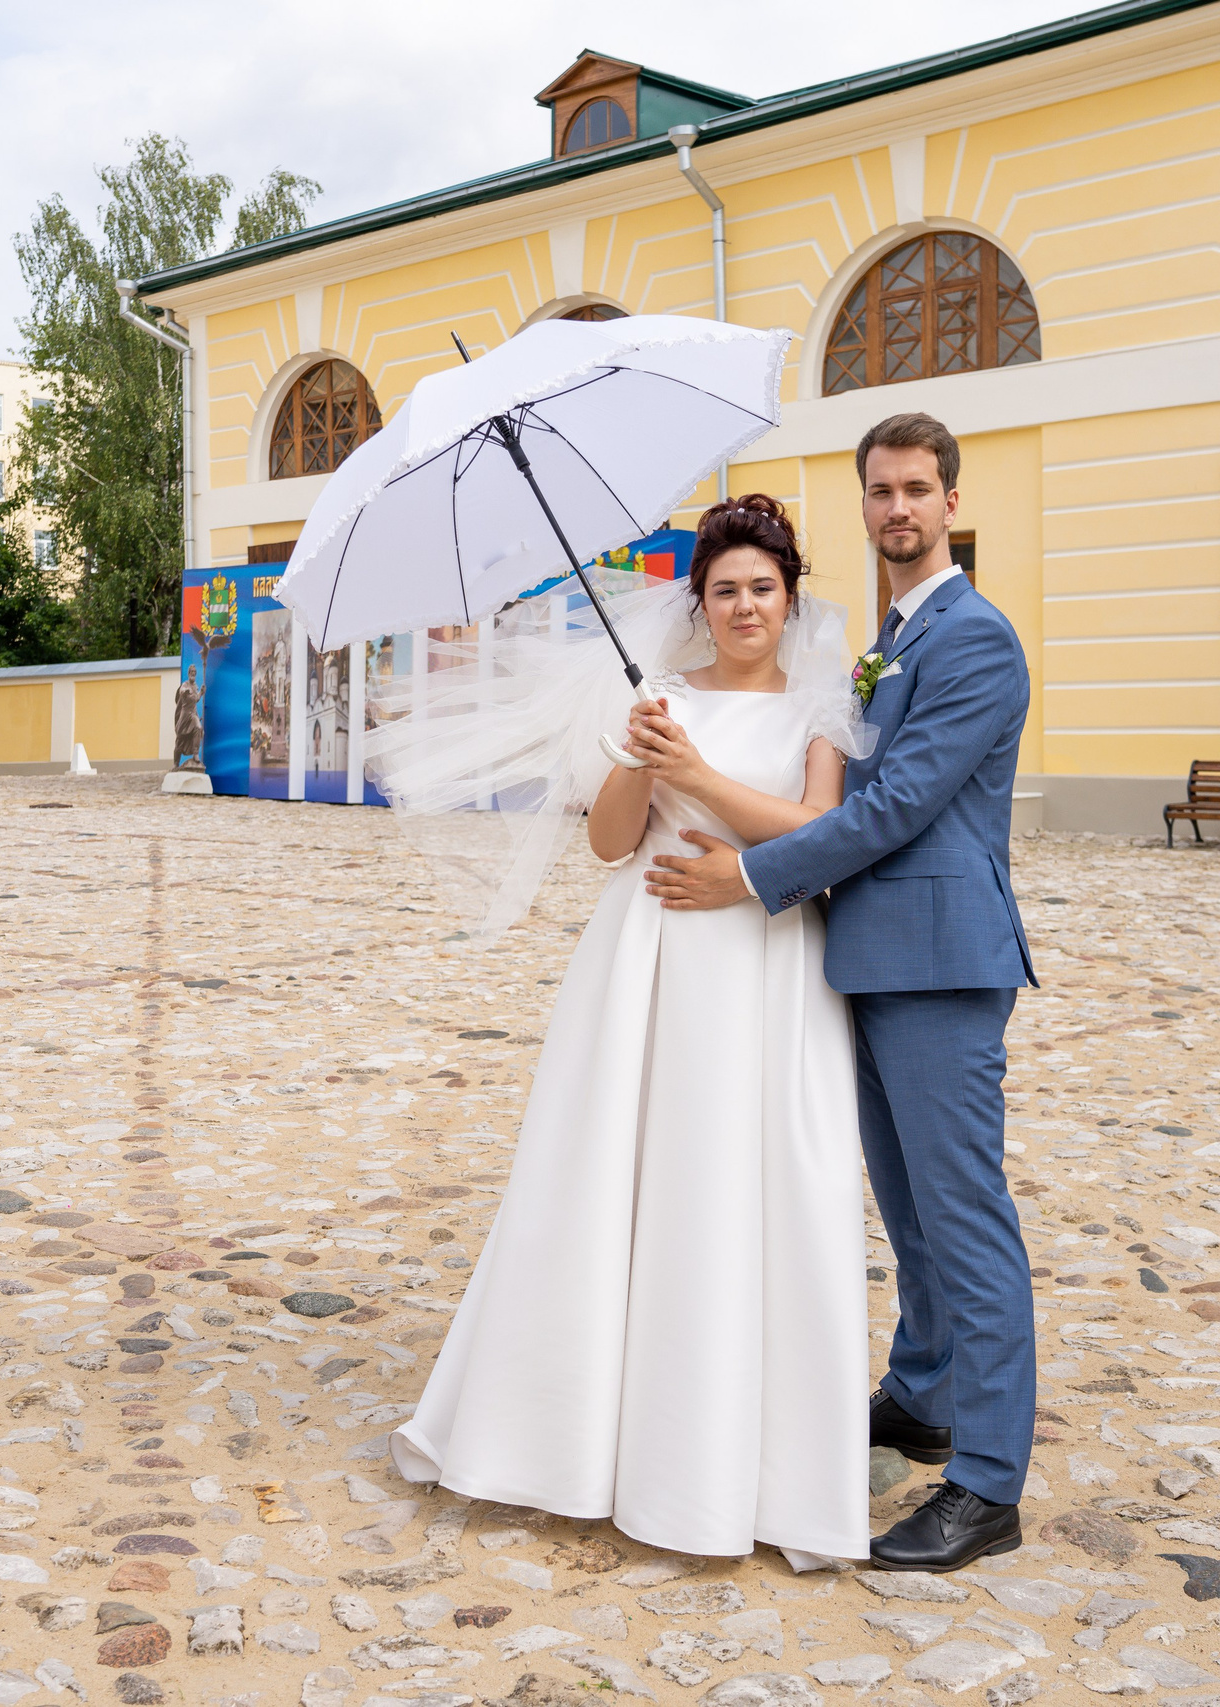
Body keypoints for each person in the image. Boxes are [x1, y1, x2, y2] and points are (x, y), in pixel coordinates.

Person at [385, 495, 873, 1564]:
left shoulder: (817, 711)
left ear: (790, 600)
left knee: (752, 1187)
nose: (744, 606)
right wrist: (643, 759)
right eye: (725, 590)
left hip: (763, 962)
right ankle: (570, 1438)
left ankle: (736, 1460)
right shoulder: (655, 698)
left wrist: (702, 783)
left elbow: (822, 832)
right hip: (649, 958)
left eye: (762, 588)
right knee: (615, 1175)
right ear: (697, 604)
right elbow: (609, 845)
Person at [644, 413, 1040, 1572]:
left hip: (940, 960)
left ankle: (987, 1482)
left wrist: (748, 878)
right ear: (864, 505)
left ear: (951, 504)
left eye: (918, 488)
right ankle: (922, 1395)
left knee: (965, 1216)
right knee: (908, 1208)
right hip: (865, 956)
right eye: (880, 491)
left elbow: (888, 811)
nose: (898, 509)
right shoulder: (889, 638)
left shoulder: (973, 641)